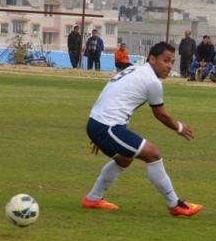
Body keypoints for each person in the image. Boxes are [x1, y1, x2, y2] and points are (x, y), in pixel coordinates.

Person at [81, 41, 202, 217]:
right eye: (166, 60)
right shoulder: (152, 81)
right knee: (153, 154)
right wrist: (180, 127)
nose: (169, 66)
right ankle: (176, 205)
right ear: (152, 59)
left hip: (99, 123)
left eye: (172, 62)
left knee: (125, 158)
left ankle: (93, 198)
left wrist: (99, 128)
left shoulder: (134, 70)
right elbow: (161, 114)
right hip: (106, 126)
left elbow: (114, 96)